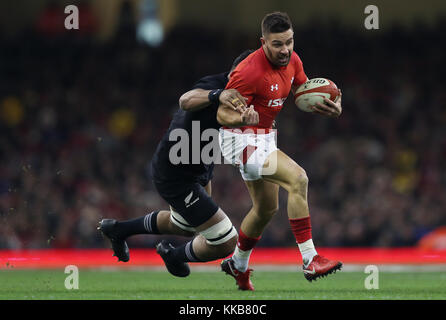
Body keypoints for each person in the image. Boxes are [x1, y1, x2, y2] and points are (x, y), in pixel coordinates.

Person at [98, 50, 257, 277]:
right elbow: (185, 100)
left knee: (184, 225)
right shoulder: (216, 84)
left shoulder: (244, 95)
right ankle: (173, 255)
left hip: (198, 165)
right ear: (237, 72)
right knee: (228, 241)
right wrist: (216, 95)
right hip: (177, 172)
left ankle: (118, 229)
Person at [218, 12, 343, 290]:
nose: (285, 49)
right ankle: (310, 259)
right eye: (277, 44)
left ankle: (237, 264)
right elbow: (222, 115)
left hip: (265, 136)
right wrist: (241, 118)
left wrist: (332, 104)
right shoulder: (248, 71)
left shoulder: (293, 60)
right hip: (239, 138)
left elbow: (305, 91)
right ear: (263, 42)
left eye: (289, 42)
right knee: (298, 178)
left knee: (265, 209)